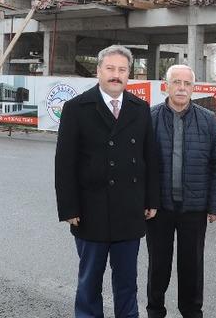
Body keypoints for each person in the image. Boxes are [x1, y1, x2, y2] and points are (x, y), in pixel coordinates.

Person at [55, 45, 160, 318]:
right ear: (99, 70)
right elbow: (64, 164)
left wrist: (151, 200)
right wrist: (69, 208)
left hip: (130, 211)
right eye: (110, 69)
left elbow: (150, 158)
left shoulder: (140, 109)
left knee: (127, 283)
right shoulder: (76, 108)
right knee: (90, 282)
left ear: (129, 74)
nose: (116, 75)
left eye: (122, 70)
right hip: (90, 212)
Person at [146, 64, 216, 318]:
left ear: (193, 87)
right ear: (165, 85)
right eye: (176, 82)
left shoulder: (207, 120)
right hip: (159, 208)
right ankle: (155, 310)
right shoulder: (150, 118)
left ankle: (191, 312)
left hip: (194, 207)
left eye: (187, 83)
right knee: (158, 264)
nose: (182, 88)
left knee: (191, 265)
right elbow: (141, 165)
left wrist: (215, 205)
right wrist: (145, 201)